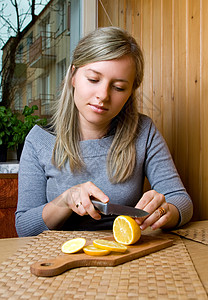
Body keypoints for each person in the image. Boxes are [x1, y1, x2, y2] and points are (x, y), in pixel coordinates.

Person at [15, 27, 193, 237]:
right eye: (93, 79)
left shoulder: (143, 131)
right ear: (73, 76)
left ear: (130, 93)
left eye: (118, 87)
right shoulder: (39, 140)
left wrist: (165, 210)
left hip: (126, 255)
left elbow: (181, 201)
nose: (103, 96)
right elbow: (24, 227)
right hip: (58, 258)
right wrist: (65, 200)